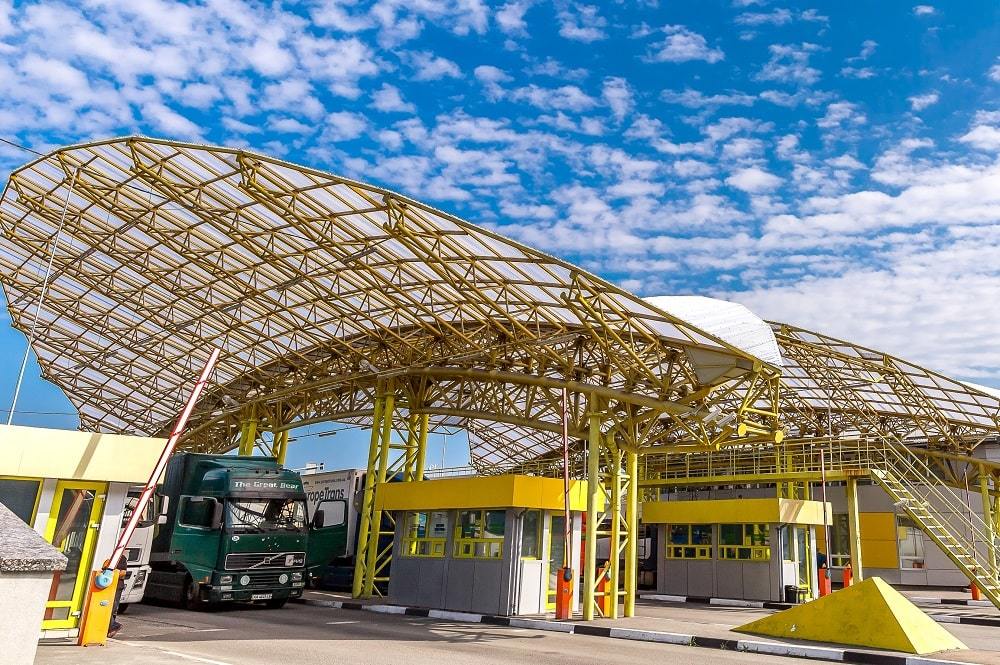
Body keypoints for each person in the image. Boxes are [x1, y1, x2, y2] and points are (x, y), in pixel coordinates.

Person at [107, 557, 128, 638]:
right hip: (108, 586)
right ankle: (110, 627)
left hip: (116, 586)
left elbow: (123, 573)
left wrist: (110, 573)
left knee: (111, 608)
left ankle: (113, 626)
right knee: (109, 607)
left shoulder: (120, 557)